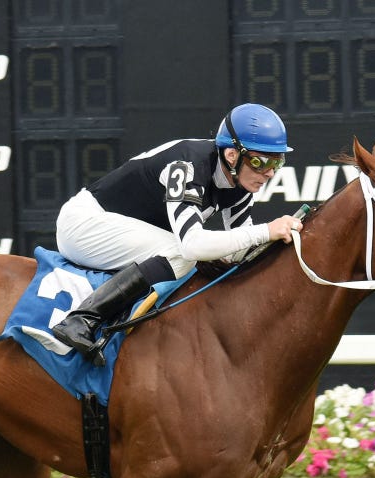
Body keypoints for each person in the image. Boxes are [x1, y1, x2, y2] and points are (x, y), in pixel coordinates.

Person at [50, 103, 304, 363]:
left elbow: (240, 251)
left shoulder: (240, 184)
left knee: (205, 257)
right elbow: (192, 246)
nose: (269, 173)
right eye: (261, 162)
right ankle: (82, 320)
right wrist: (267, 230)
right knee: (182, 254)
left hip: (120, 227)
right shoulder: (188, 165)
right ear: (231, 155)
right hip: (84, 225)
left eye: (277, 162)